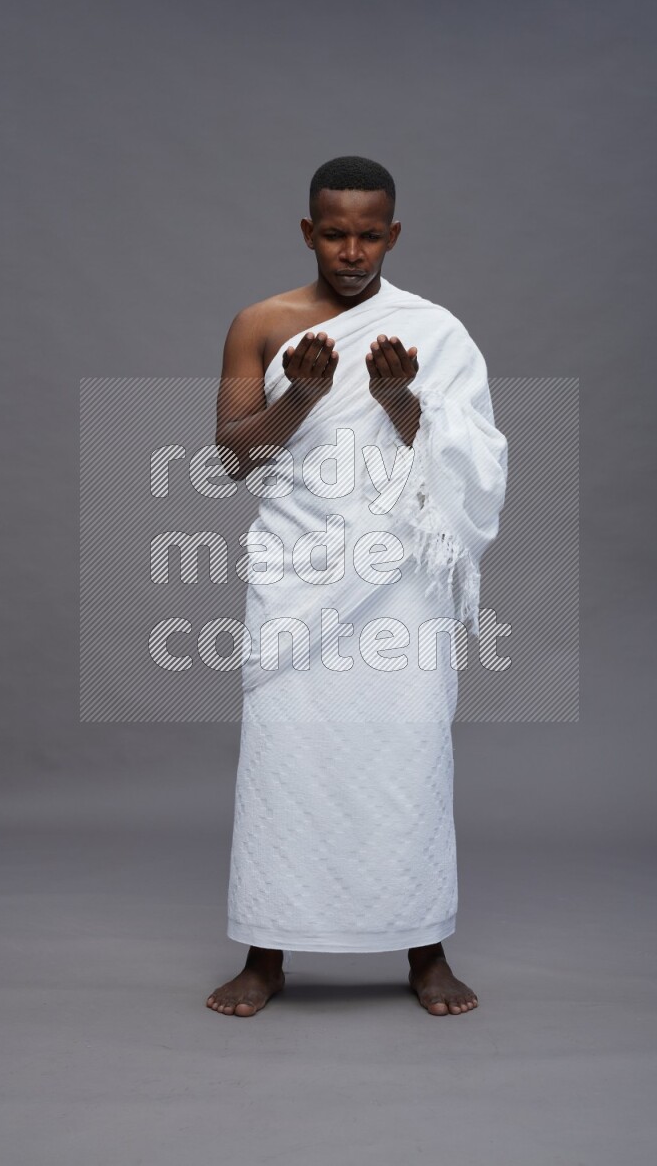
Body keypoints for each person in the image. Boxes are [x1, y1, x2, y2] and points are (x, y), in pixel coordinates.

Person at [206, 156, 508, 1016]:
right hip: (297, 574)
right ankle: (266, 956)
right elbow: (233, 458)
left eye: (369, 233)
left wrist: (398, 397)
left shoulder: (432, 330)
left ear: (394, 233)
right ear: (308, 231)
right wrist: (299, 397)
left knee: (405, 758)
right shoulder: (259, 324)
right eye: (334, 233)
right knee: (285, 760)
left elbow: (465, 462)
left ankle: (425, 950)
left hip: (398, 584)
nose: (351, 250)